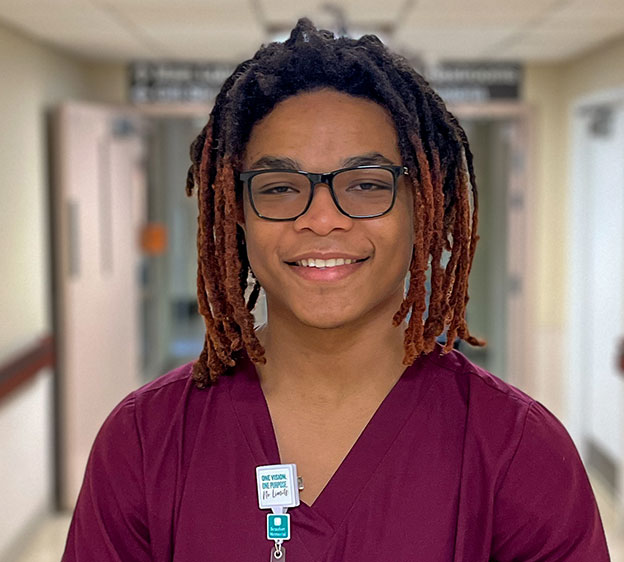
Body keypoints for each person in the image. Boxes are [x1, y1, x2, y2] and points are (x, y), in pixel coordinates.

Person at [62, 18, 610, 561]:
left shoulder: (519, 452)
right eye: (279, 187)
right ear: (237, 216)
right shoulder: (143, 442)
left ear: (425, 207)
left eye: (367, 184)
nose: (322, 219)